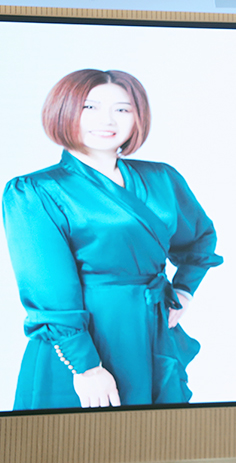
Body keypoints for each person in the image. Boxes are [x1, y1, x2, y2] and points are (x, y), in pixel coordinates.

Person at [2, 69, 222, 410]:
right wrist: (86, 367)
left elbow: (199, 238)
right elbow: (48, 288)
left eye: (122, 109)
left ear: (138, 117)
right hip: (87, 338)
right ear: (64, 111)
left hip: (151, 330)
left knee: (159, 436)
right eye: (90, 107)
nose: (107, 120)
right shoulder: (34, 191)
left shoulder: (162, 177)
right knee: (79, 438)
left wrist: (184, 289)